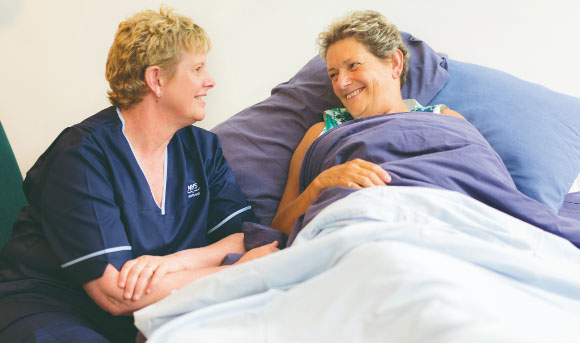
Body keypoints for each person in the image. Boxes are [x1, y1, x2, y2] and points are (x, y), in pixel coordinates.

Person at [0, 7, 278, 342]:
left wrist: (179, 261)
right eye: (197, 68)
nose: (210, 80)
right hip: (52, 309)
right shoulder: (82, 156)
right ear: (156, 79)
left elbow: (242, 238)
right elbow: (114, 293)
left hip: (149, 313)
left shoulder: (202, 149)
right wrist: (237, 273)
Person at [271, 10, 464, 235]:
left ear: (394, 63)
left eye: (353, 66)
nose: (341, 83)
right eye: (333, 74)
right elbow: (277, 230)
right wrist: (319, 186)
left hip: (440, 232)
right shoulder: (321, 133)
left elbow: (489, 188)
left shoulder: (445, 120)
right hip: (350, 238)